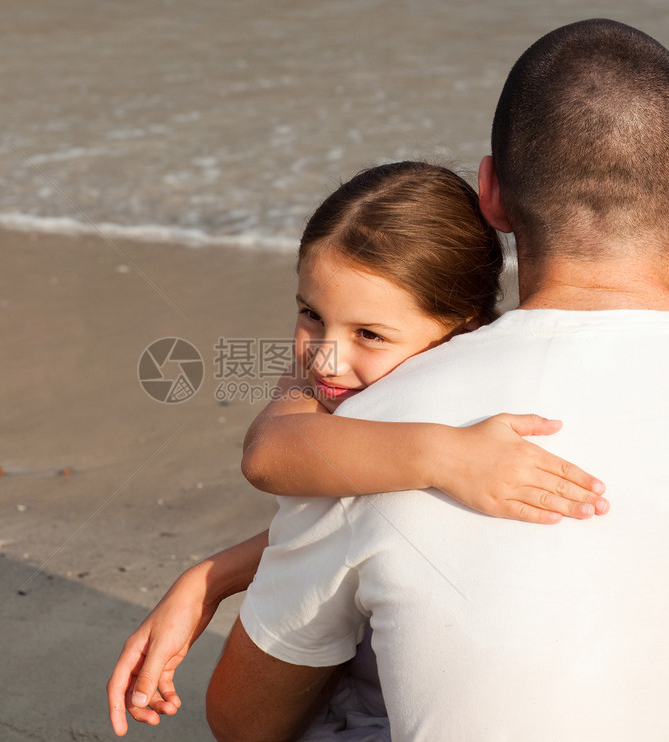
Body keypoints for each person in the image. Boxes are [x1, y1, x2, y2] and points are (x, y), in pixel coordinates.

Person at [206, 18, 669, 742]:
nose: (326, 358)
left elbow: (241, 723)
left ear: (491, 193)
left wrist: (214, 577)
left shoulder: (376, 435)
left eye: (366, 333)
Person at [107, 162, 607, 737]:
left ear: (461, 330)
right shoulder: (346, 389)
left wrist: (449, 452)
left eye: (369, 334)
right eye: (310, 314)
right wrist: (210, 577)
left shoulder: (473, 417)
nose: (326, 357)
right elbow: (268, 453)